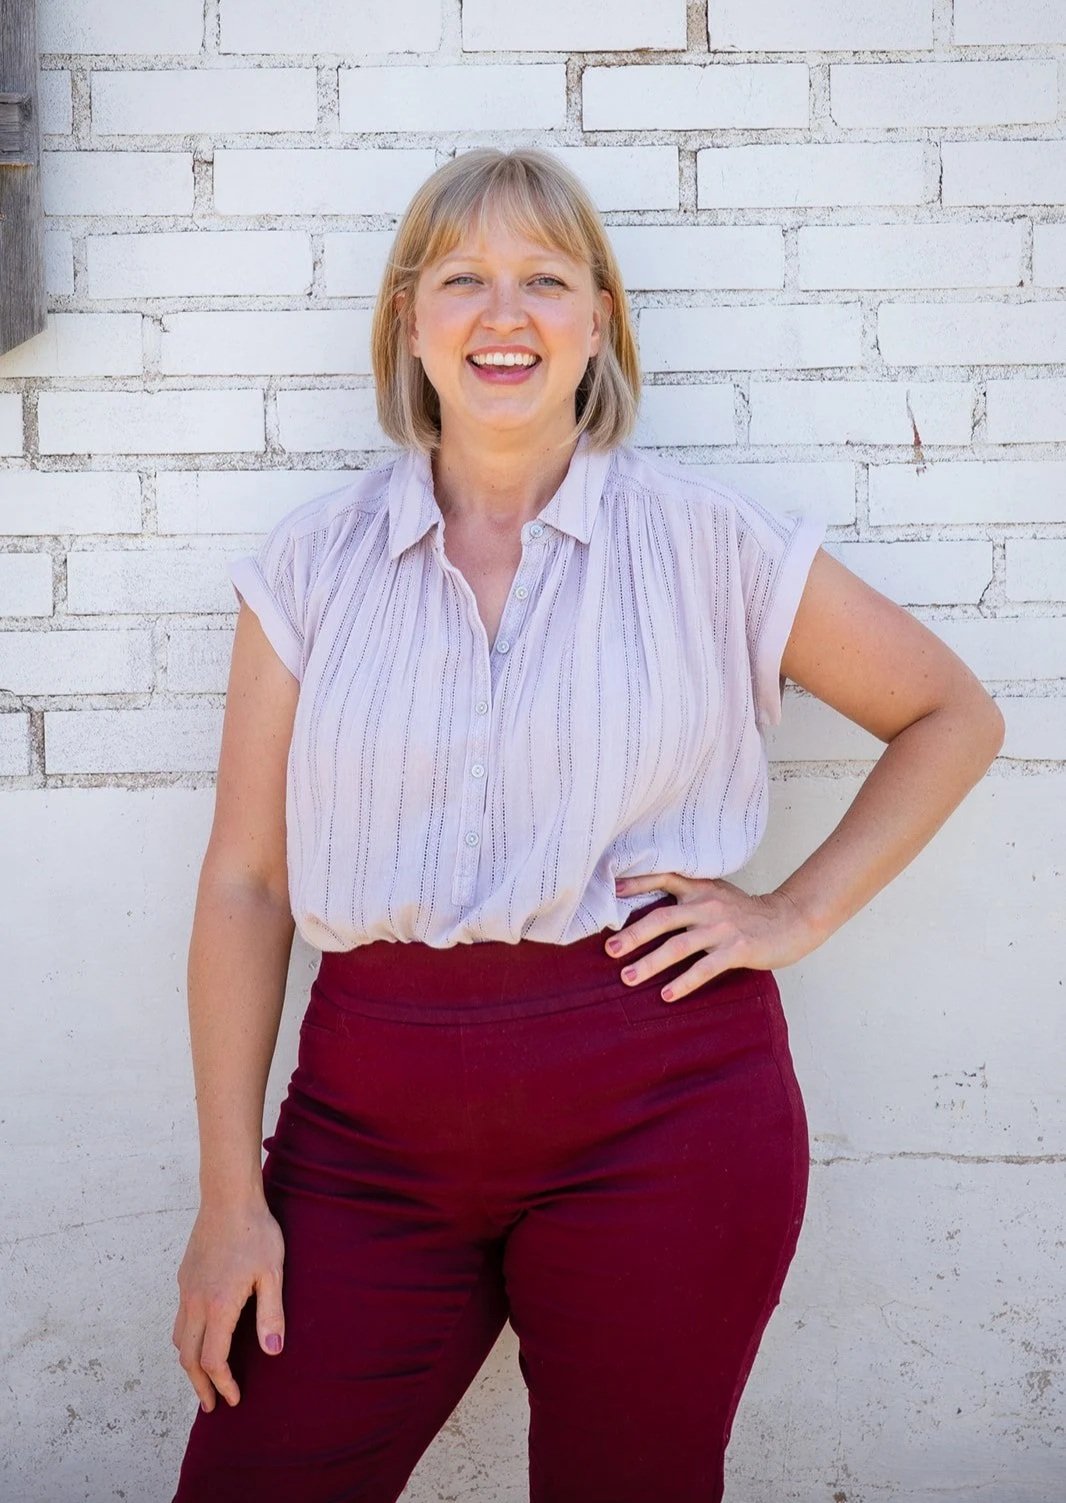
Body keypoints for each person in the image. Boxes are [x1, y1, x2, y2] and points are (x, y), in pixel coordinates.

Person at [169, 147, 1005, 1502]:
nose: (506, 315)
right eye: (463, 280)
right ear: (407, 318)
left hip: (662, 1112)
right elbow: (248, 888)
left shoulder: (713, 545)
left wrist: (794, 911)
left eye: (545, 280)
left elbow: (949, 715)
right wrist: (227, 1200)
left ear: (599, 318)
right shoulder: (305, 573)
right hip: (366, 1133)